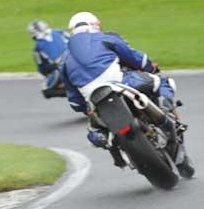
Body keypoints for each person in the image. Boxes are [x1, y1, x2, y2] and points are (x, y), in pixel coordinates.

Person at [60, 12, 178, 164]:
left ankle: (112, 146)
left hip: (93, 98)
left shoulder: (63, 59)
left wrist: (85, 109)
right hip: (121, 82)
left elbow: (75, 102)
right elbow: (138, 60)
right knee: (163, 82)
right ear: (95, 25)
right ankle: (165, 108)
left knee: (94, 129)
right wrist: (151, 68)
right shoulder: (105, 38)